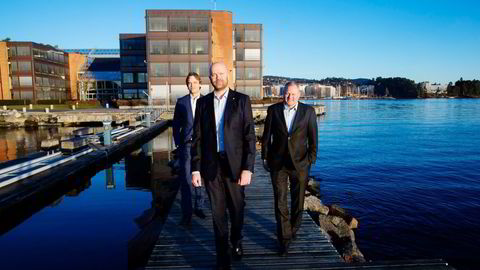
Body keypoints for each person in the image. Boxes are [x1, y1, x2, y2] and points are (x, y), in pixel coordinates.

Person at [191, 62, 256, 269]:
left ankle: (236, 240)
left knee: (237, 209)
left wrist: (248, 167)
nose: (217, 77)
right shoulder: (203, 103)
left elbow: (250, 137)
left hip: (235, 167)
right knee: (218, 213)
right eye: (213, 74)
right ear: (209, 78)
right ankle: (222, 256)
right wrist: (195, 167)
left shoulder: (242, 101)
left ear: (227, 74)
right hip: (211, 167)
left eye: (220, 73)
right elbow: (197, 139)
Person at [261, 81, 318, 256]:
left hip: (300, 164)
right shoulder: (273, 110)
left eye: (293, 94)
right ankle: (284, 239)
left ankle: (293, 228)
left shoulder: (308, 112)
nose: (290, 97)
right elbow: (266, 136)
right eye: (287, 93)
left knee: (297, 202)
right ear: (283, 93)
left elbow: (313, 137)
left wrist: (310, 160)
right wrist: (264, 156)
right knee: (280, 201)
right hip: (278, 164)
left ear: (299, 95)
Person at [172, 72, 207, 228]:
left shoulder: (208, 101)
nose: (191, 85)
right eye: (189, 82)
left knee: (201, 178)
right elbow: (175, 126)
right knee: (186, 181)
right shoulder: (181, 102)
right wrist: (179, 144)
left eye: (194, 82)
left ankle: (199, 206)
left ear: (200, 84)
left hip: (204, 146)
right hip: (186, 145)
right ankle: (187, 216)